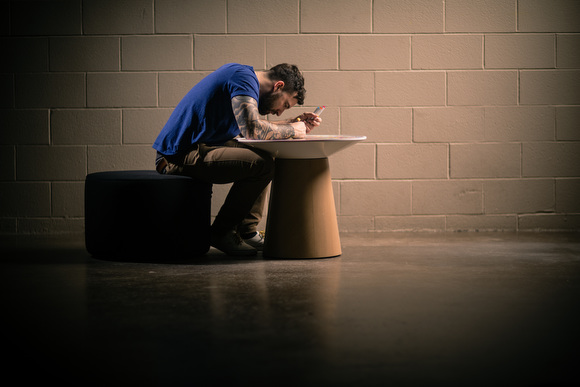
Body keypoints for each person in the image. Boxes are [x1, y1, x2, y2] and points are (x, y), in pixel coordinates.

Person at [153, 63, 322, 256]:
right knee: (262, 165)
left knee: (265, 154)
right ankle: (221, 232)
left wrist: (293, 123)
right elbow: (253, 130)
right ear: (278, 86)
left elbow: (254, 126)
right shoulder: (242, 79)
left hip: (202, 146)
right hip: (176, 156)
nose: (279, 112)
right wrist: (293, 131)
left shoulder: (243, 78)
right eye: (284, 105)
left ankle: (246, 231)